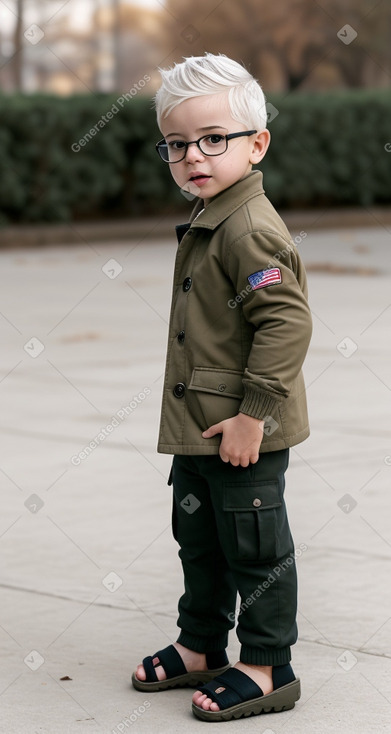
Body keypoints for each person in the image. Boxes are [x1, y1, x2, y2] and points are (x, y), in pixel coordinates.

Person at [131, 52, 312, 722]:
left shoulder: (247, 226)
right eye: (176, 144)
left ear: (256, 143)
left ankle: (268, 665)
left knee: (256, 547)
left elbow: (286, 323)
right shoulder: (214, 217)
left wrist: (251, 417)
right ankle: (201, 643)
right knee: (199, 540)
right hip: (200, 430)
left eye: (213, 139)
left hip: (242, 432)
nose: (192, 156)